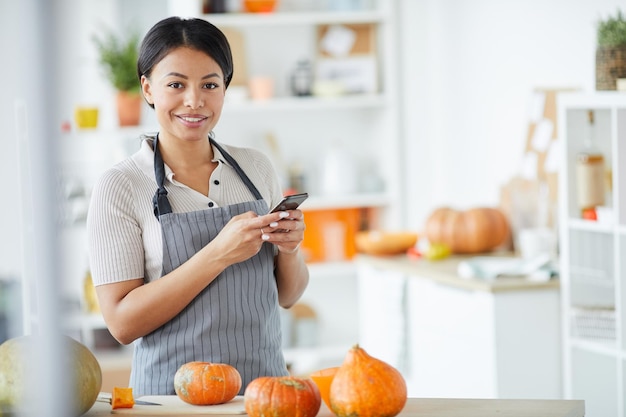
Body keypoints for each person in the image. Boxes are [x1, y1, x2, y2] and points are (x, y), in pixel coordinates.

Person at [86, 16, 309, 397]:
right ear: (147, 88)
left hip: (264, 393)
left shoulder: (256, 168)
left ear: (225, 88)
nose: (194, 101)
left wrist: (289, 251)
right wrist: (218, 255)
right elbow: (121, 325)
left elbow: (288, 296)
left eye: (210, 84)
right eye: (176, 84)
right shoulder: (120, 186)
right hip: (170, 401)